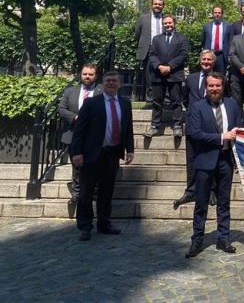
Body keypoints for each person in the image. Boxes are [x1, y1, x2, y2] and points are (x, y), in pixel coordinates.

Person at [71, 71, 134, 241]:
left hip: (112, 154)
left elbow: (128, 128)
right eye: (108, 81)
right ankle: (85, 226)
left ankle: (104, 223)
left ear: (120, 84)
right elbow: (79, 130)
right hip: (91, 154)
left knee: (106, 192)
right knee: (86, 192)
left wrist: (130, 149)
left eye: (114, 81)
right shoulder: (91, 103)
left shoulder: (125, 103)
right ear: (102, 84)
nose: (111, 83)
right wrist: (76, 152)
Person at [185, 72, 241, 258]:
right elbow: (195, 134)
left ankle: (223, 239)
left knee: (224, 202)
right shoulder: (197, 107)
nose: (214, 89)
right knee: (201, 203)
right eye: (211, 86)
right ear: (206, 87)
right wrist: (221, 137)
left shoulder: (232, 104)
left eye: (217, 85)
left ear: (222, 86)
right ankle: (197, 240)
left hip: (226, 160)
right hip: (204, 161)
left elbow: (238, 128)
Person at [175, 50, 218, 210]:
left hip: (212, 124)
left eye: (209, 60)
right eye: (204, 59)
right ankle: (191, 190)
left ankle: (212, 191)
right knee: (191, 159)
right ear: (200, 61)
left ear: (213, 62)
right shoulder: (191, 78)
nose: (206, 62)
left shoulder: (218, 78)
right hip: (193, 123)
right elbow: (184, 98)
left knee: (211, 158)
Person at [58, 63, 102, 204]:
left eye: (90, 74)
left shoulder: (102, 91)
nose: (87, 77)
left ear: (96, 76)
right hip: (74, 133)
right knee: (76, 166)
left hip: (94, 135)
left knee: (94, 165)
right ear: (80, 75)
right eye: (85, 74)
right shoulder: (70, 91)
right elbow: (61, 109)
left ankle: (94, 192)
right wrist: (75, 117)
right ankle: (77, 193)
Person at [145, 14, 188, 138]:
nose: (168, 25)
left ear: (174, 23)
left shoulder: (182, 38)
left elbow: (183, 55)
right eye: (165, 23)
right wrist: (159, 66)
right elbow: (151, 55)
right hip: (158, 75)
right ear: (163, 25)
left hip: (174, 74)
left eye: (170, 23)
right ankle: (154, 126)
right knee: (157, 102)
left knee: (176, 101)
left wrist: (169, 66)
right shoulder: (156, 38)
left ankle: (177, 126)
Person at [134, 0, 165, 106]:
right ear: (152, 5)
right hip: (148, 50)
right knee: (149, 76)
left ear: (163, 6)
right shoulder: (143, 18)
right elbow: (137, 33)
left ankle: (165, 100)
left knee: (164, 75)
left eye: (159, 4)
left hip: (163, 50)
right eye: (155, 4)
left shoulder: (167, 18)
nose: (157, 6)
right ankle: (150, 100)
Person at [200, 6, 233, 74]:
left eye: (219, 13)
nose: (217, 14)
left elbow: (230, 41)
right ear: (212, 13)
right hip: (209, 55)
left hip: (222, 55)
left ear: (222, 14)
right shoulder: (206, 26)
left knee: (221, 76)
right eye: (215, 12)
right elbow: (203, 40)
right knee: (208, 75)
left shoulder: (228, 26)